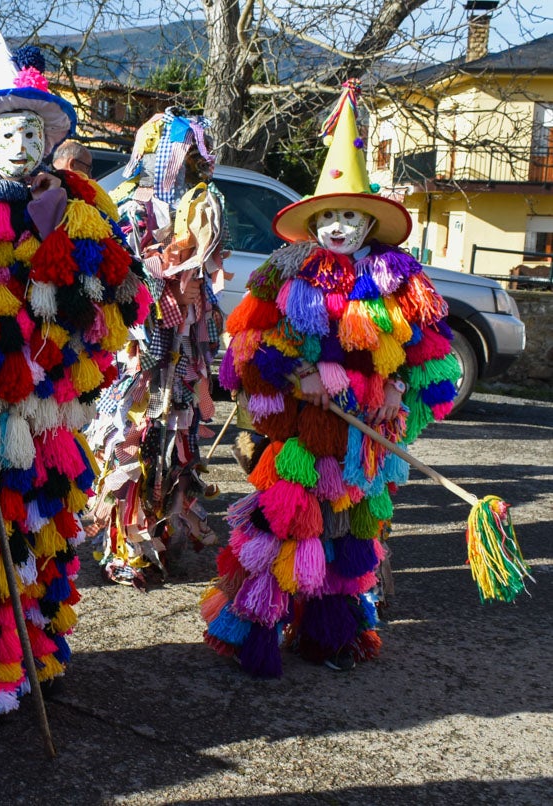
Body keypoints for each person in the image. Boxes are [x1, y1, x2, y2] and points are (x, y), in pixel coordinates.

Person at [0, 29, 146, 714]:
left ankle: (36, 649)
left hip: (49, 402)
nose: (18, 144)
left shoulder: (79, 208)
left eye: (27, 131)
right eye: (4, 134)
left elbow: (118, 293)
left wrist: (79, 294)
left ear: (44, 137)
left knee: (46, 523)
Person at [201, 82, 460, 676]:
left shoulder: (399, 278)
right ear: (313, 220)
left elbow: (430, 354)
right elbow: (246, 346)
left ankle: (329, 635)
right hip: (303, 434)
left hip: (365, 434)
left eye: (350, 216)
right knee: (287, 528)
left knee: (347, 539)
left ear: (368, 223)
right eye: (330, 216)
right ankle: (256, 629)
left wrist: (399, 388)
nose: (339, 227)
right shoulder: (285, 270)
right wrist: (299, 373)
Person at [87, 110, 228, 585]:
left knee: (174, 439)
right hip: (141, 346)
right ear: (148, 154)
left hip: (180, 349)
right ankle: (126, 542)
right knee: (134, 435)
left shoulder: (196, 203)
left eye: (189, 155)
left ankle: (164, 534)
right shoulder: (127, 205)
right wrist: (166, 284)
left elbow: (205, 265)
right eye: (173, 153)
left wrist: (197, 279)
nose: (177, 164)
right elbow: (119, 270)